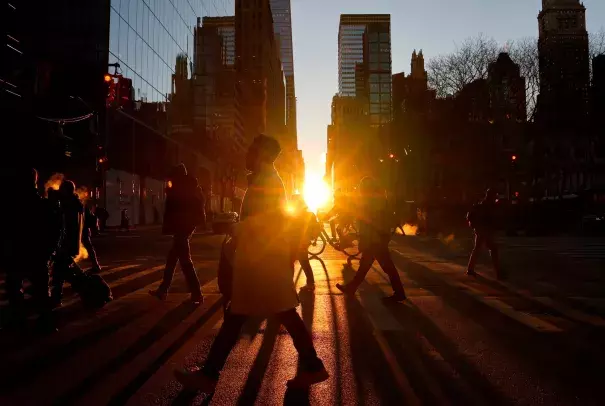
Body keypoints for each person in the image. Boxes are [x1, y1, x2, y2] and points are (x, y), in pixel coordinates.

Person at [174, 135, 328, 392]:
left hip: (263, 265)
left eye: (252, 150)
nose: (248, 154)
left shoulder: (268, 180)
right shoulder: (264, 179)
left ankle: (210, 374)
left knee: (245, 317)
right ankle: (313, 366)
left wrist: (238, 226)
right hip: (261, 263)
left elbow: (270, 220)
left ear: (263, 155)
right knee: (274, 315)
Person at [1, 168, 61, 332]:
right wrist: (50, 250)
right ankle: (46, 322)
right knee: (41, 290)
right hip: (37, 254)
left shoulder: (11, 206)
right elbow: (56, 228)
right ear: (35, 181)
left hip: (17, 253)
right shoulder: (43, 204)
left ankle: (17, 320)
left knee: (14, 288)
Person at [336, 177, 407, 302]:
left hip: (376, 240)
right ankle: (352, 287)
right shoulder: (375, 200)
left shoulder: (374, 201)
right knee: (365, 265)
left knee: (387, 267)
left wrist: (363, 237)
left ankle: (399, 293)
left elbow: (370, 221)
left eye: (362, 187)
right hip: (375, 239)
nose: (360, 190)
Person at [149, 164, 203, 304]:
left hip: (182, 227)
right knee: (172, 259)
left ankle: (196, 293)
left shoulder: (181, 188)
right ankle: (163, 290)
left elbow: (175, 209)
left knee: (185, 262)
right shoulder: (190, 187)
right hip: (185, 227)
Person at [50, 180, 85, 308]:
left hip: (66, 244)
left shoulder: (69, 205)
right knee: (61, 271)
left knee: (61, 272)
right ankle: (57, 297)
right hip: (71, 245)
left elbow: (63, 225)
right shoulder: (76, 203)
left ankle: (57, 298)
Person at [466, 188, 503, 279]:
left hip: (481, 230)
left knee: (478, 249)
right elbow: (491, 219)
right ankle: (498, 272)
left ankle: (470, 269)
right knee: (493, 250)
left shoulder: (481, 205)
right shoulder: (488, 206)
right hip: (485, 230)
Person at [290, 194, 317, 290]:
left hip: (300, 242)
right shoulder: (309, 214)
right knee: (303, 261)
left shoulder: (297, 215)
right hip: (304, 241)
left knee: (301, 261)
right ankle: (310, 283)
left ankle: (310, 283)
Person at [82, 204, 101, 273]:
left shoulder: (80, 206)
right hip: (85, 230)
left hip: (82, 230)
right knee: (89, 248)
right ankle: (96, 265)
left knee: (89, 247)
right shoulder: (84, 206)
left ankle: (96, 265)